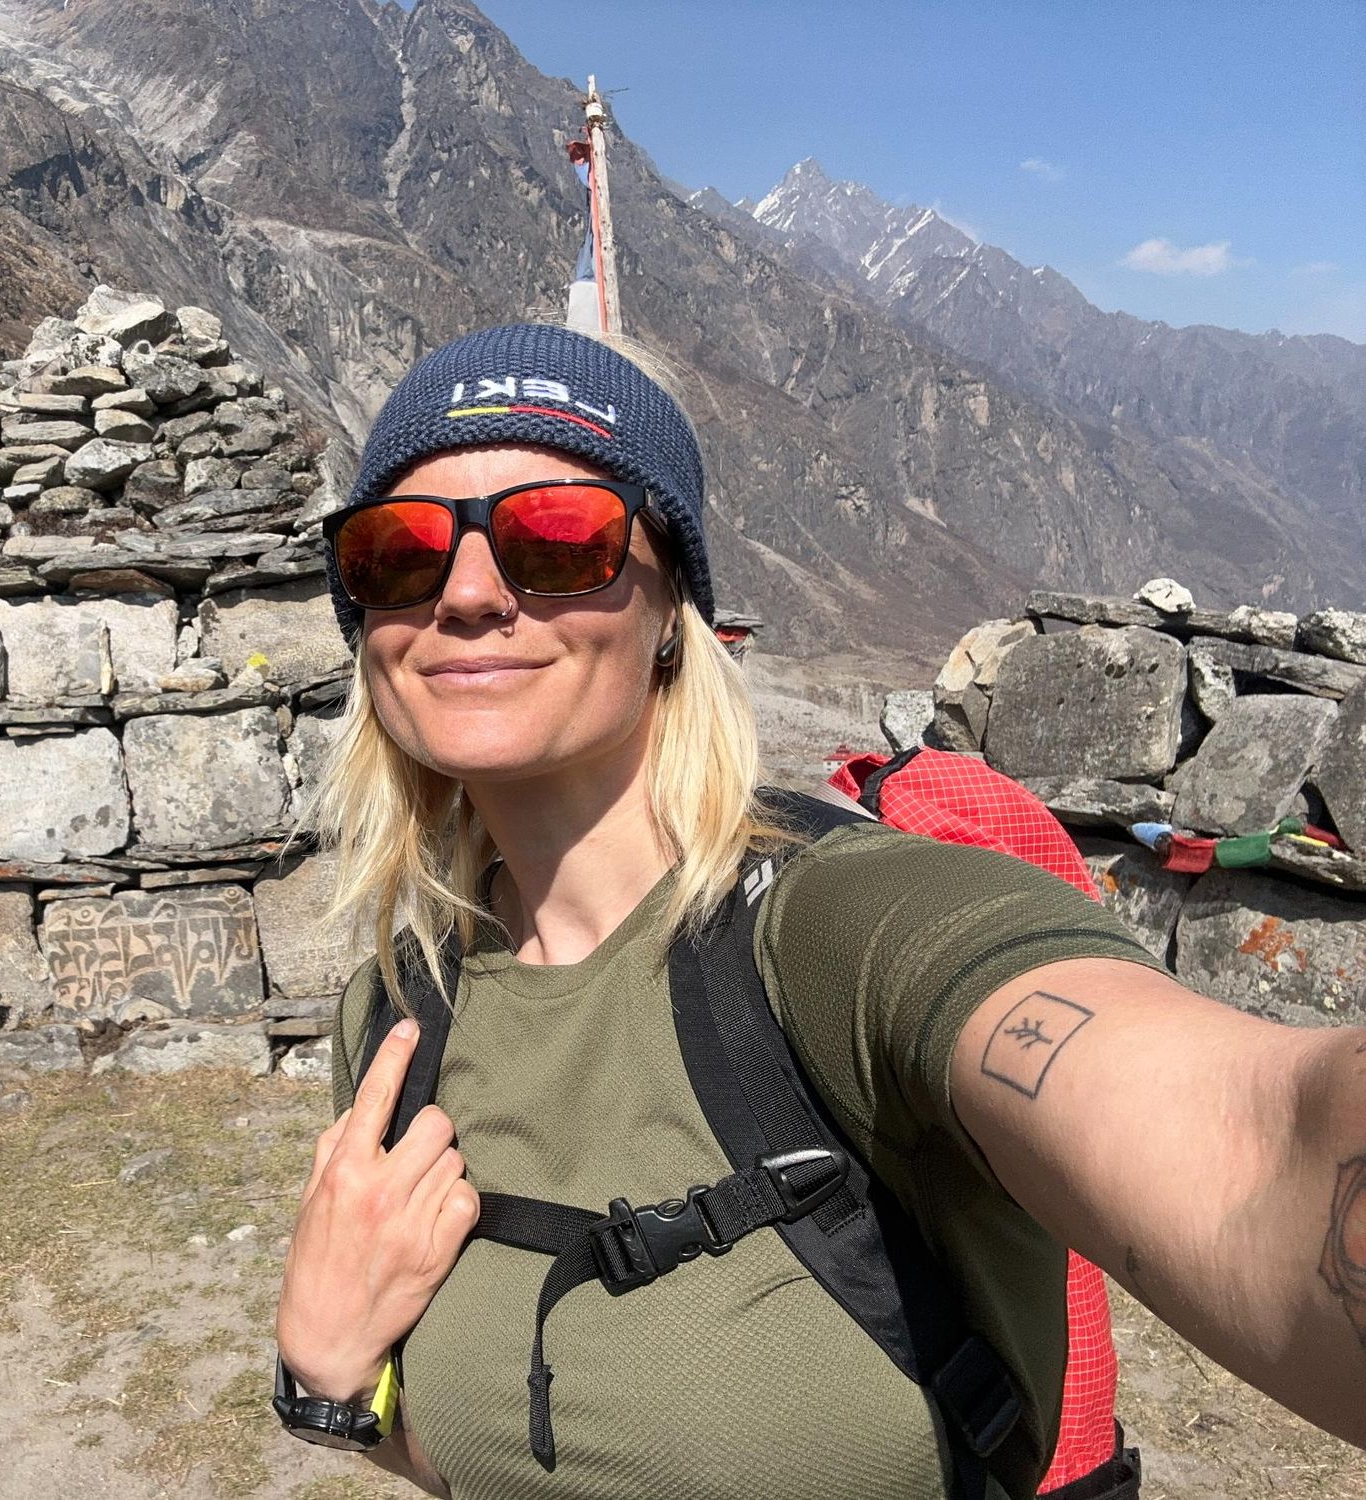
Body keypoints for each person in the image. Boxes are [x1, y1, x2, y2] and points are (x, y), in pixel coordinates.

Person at [270, 321, 1366, 1499]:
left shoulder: (840, 929)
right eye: (397, 552)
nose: (469, 595)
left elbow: (1256, 1141)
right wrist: (327, 1372)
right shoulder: (398, 1015)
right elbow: (491, 1452)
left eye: (556, 538)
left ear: (671, 617)